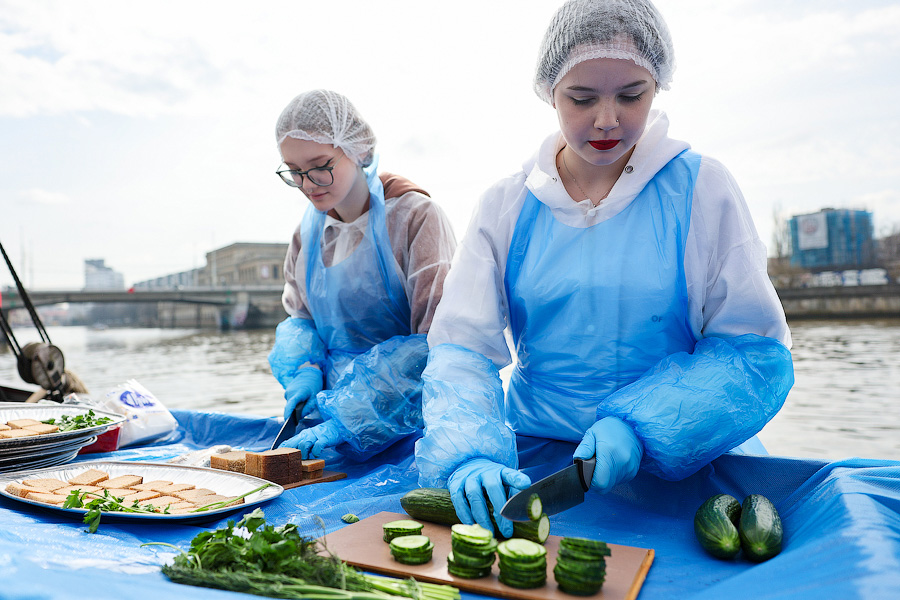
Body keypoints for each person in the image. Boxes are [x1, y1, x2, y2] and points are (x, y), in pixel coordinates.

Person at [415, 0, 794, 537]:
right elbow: (462, 348)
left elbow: (753, 354)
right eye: (582, 98)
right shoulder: (506, 205)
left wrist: (646, 426)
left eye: (631, 95)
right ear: (550, 91)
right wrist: (469, 453)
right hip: (538, 461)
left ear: (658, 86)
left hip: (684, 462)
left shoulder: (702, 189)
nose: (607, 119)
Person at [268, 89, 457, 460]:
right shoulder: (307, 235)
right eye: (294, 171)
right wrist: (307, 368)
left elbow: (437, 342)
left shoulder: (414, 218)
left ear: (357, 148)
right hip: (324, 425)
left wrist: (352, 418)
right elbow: (303, 322)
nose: (308, 184)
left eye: (320, 165)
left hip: (409, 425)